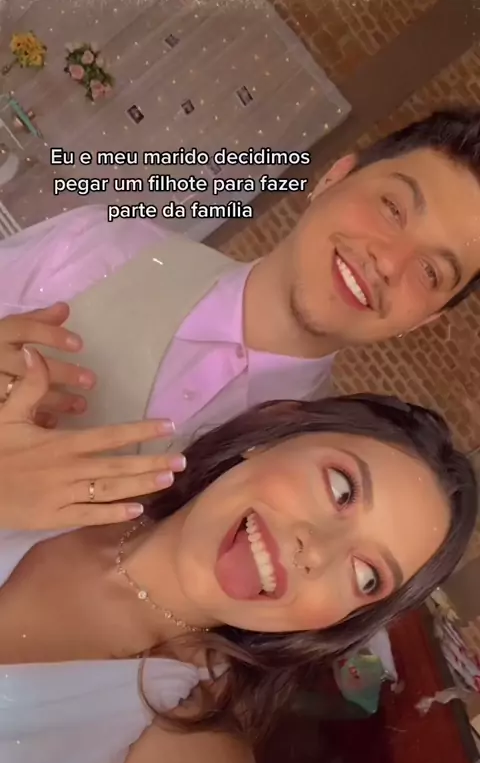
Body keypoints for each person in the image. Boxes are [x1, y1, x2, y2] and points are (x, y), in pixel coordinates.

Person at [0, 373, 477, 763]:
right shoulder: (47, 474)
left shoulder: (193, 733)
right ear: (271, 436)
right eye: (341, 489)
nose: (318, 550)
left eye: (367, 575)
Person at [1, 106, 480, 530]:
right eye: (393, 208)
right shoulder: (100, 246)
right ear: (335, 177)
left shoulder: (310, 469)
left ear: (424, 321)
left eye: (430, 272)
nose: (389, 261)